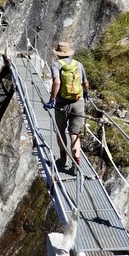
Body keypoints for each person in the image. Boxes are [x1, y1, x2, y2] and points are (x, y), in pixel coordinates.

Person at [43, 42, 90, 171]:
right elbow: (85, 83)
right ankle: (76, 164)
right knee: (74, 134)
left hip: (62, 104)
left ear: (58, 54)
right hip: (78, 102)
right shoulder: (78, 64)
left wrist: (52, 100)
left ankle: (63, 159)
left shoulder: (56, 65)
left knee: (60, 130)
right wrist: (86, 93)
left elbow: (57, 81)